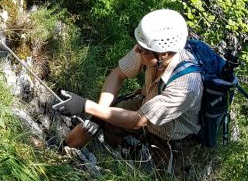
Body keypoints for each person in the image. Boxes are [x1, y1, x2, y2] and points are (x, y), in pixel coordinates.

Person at [51, 9, 203, 171]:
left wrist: (85, 105)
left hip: (171, 137)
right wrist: (99, 114)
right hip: (146, 104)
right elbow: (117, 75)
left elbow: (137, 120)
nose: (137, 50)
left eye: (143, 49)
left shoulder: (186, 86)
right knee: (93, 123)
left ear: (164, 54)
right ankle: (57, 156)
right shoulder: (149, 49)